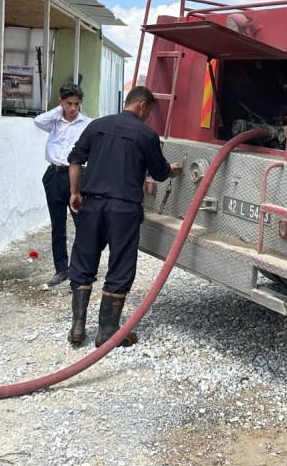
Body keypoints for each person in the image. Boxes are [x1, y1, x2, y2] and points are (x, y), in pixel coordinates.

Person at [66, 86, 182, 347]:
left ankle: (77, 326)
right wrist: (173, 170)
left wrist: (75, 193)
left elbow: (75, 160)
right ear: (142, 106)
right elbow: (160, 173)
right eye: (149, 111)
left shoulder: (97, 125)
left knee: (83, 260)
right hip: (123, 210)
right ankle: (107, 331)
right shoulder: (146, 134)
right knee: (120, 264)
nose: (148, 116)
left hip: (91, 204)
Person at [34, 84, 90, 288]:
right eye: (68, 104)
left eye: (76, 104)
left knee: (82, 224)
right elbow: (38, 121)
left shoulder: (87, 124)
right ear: (62, 103)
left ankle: (80, 270)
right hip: (55, 174)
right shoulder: (55, 121)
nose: (73, 108)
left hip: (78, 175)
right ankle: (61, 269)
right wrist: (60, 111)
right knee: (58, 225)